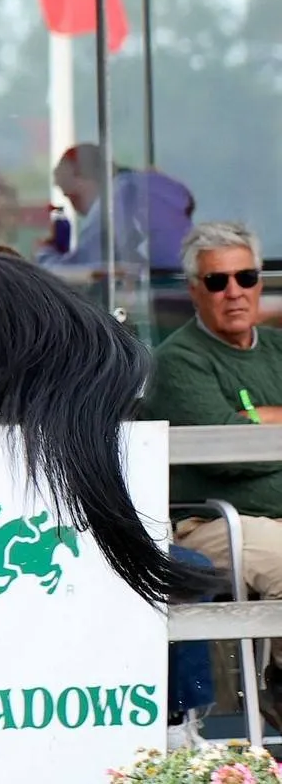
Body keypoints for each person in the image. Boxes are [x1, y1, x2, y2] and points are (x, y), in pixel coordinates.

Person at [138, 223, 279, 628]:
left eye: (246, 277)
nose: (234, 292)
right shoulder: (179, 360)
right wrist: (250, 429)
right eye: (218, 281)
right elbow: (234, 458)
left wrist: (254, 419)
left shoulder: (277, 348)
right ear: (194, 290)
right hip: (213, 523)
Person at [38, 143, 195, 273]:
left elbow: (77, 271)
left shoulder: (114, 199)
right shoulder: (148, 185)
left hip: (159, 296)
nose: (76, 210)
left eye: (71, 196)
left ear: (82, 177)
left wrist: (45, 252)